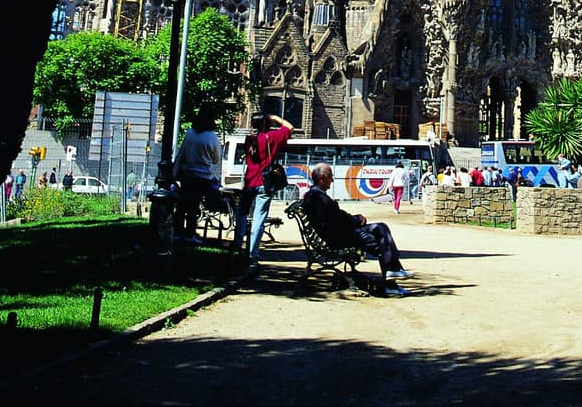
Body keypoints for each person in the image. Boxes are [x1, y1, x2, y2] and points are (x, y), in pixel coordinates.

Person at [301, 163, 411, 289]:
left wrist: (355, 219)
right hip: (339, 238)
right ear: (322, 178)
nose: (332, 180)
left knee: (381, 227)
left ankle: (394, 270)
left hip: (338, 234)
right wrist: (357, 220)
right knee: (381, 242)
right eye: (331, 177)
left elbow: (337, 216)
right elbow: (338, 218)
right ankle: (391, 283)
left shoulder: (315, 195)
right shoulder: (318, 197)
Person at [237, 112, 294, 267]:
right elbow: (290, 127)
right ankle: (252, 253)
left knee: (241, 213)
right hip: (264, 183)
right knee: (259, 219)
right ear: (266, 123)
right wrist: (275, 118)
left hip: (249, 182)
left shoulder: (249, 139)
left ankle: (237, 245)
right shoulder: (272, 138)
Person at [174, 102, 223, 245]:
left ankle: (177, 232)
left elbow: (182, 152)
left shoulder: (190, 133)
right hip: (202, 176)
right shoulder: (211, 136)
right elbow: (216, 159)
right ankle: (190, 233)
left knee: (182, 205)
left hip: (187, 174)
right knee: (194, 207)